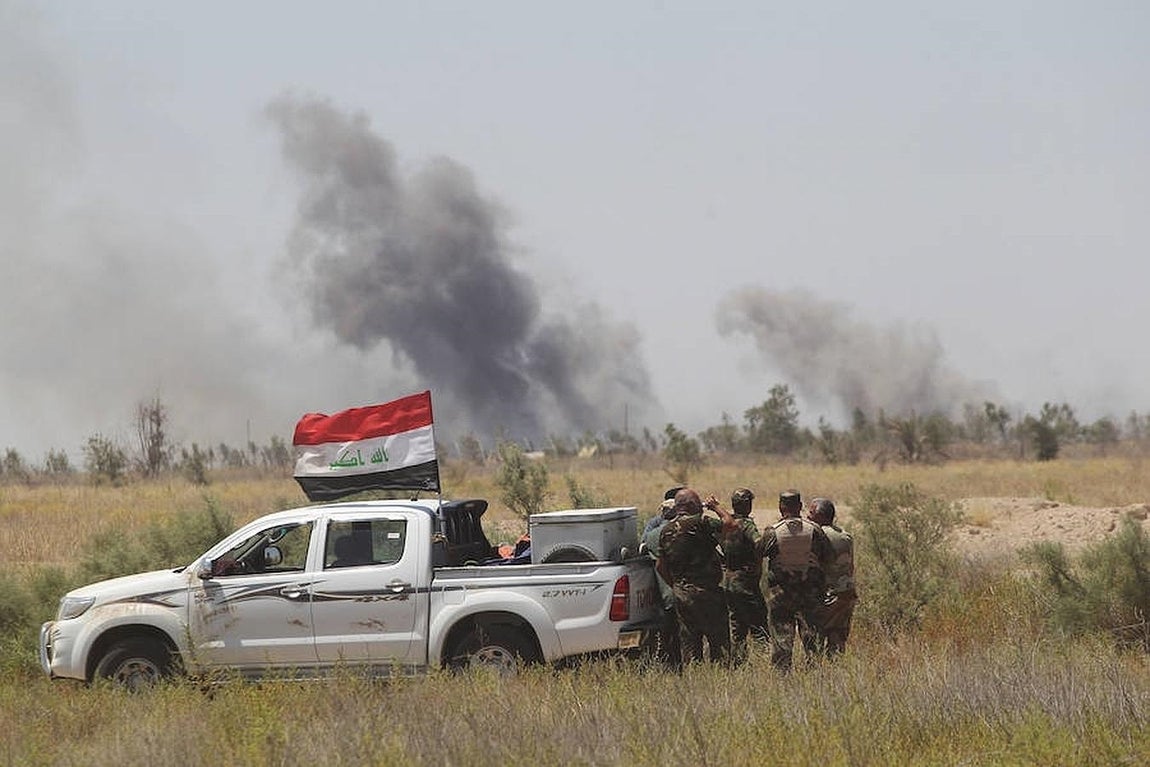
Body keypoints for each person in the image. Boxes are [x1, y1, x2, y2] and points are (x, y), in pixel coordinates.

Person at [655, 488, 735, 665]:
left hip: (683, 594)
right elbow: (730, 525)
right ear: (691, 505)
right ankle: (721, 674)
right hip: (708, 592)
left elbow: (660, 566)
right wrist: (715, 507)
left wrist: (676, 585)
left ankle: (694, 674)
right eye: (699, 503)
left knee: (690, 641)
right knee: (719, 641)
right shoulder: (701, 522)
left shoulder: (666, 530)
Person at [757, 490, 833, 670]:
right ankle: (815, 674)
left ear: (780, 507)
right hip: (810, 594)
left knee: (781, 638)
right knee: (812, 637)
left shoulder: (773, 531)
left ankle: (782, 675)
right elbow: (828, 555)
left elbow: (758, 552)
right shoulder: (814, 530)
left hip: (781, 595)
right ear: (800, 506)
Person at [711, 488, 769, 665]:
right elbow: (759, 544)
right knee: (759, 624)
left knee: (737, 626)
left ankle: (738, 662)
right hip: (746, 581)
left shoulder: (723, 526)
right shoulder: (747, 525)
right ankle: (764, 660)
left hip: (728, 580)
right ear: (748, 505)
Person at [638, 487, 685, 669]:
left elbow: (643, 550)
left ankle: (671, 665)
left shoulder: (652, 535)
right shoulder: (685, 529)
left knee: (668, 632)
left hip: (665, 592)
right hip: (687, 589)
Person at [803, 498, 856, 657]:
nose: (807, 516)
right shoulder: (845, 536)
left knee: (814, 638)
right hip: (846, 594)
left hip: (826, 596)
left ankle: (815, 669)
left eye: (811, 513)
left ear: (820, 516)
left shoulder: (816, 536)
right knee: (837, 639)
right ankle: (836, 669)